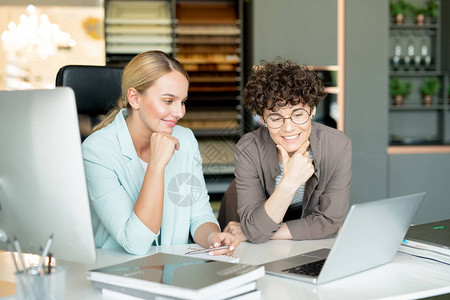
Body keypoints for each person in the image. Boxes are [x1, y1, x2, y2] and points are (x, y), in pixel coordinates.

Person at [82, 50, 240, 255]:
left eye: (182, 101)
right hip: (120, 270)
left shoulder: (185, 139)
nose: (179, 112)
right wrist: (156, 165)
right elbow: (135, 244)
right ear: (134, 98)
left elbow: (199, 215)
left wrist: (212, 237)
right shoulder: (97, 151)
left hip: (174, 270)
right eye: (168, 100)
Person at [222, 58, 352, 243]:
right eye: (276, 118)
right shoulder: (248, 148)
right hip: (237, 233)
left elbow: (330, 222)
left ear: (312, 110)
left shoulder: (337, 145)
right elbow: (254, 230)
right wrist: (290, 182)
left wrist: (259, 232)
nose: (289, 128)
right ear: (262, 119)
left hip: (283, 239)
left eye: (298, 114)